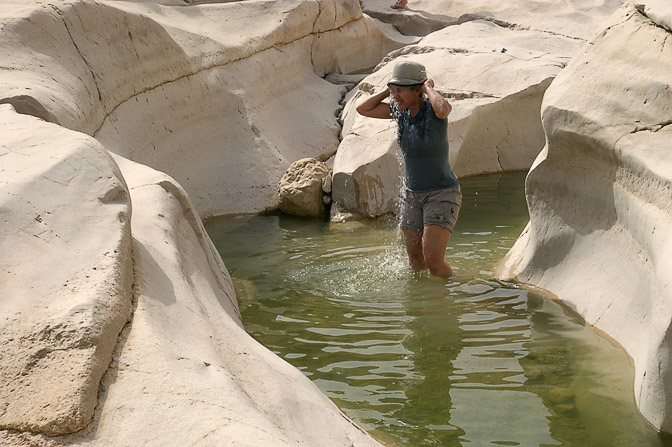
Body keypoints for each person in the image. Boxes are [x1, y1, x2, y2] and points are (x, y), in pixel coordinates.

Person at [355, 61, 461, 277]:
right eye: (394, 91)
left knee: (433, 261)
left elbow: (444, 109)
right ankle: (422, 305)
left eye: (401, 90)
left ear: (417, 89)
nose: (396, 96)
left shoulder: (433, 111)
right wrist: (391, 88)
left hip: (441, 194)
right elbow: (363, 109)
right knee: (415, 260)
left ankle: (451, 300)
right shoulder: (399, 112)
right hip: (411, 196)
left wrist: (428, 87)